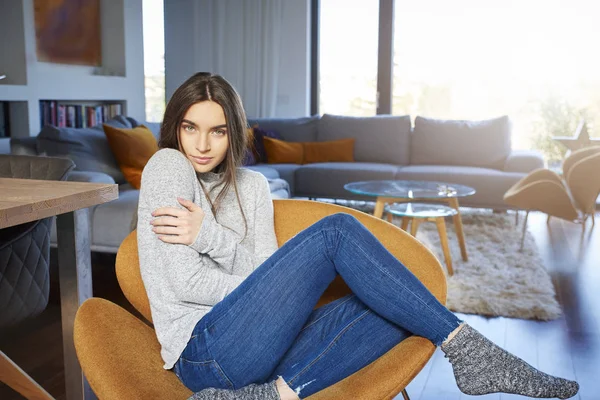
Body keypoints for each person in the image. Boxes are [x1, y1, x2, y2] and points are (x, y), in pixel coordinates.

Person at [137, 72, 579, 400]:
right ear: (175, 127)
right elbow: (187, 284)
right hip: (201, 354)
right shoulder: (168, 167)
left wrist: (239, 262)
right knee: (337, 232)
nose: (201, 144)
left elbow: (264, 271)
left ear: (233, 132)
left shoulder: (252, 187)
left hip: (258, 351)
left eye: (217, 130)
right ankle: (472, 350)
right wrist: (269, 286)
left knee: (404, 300)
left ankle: (270, 396)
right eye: (190, 127)